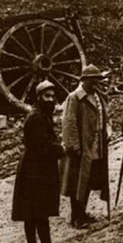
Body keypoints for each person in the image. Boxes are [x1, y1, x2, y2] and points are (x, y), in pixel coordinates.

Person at [12, 81, 64, 243]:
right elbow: (43, 146)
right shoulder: (37, 118)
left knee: (34, 212)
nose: (50, 100)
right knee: (37, 213)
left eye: (53, 96)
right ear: (39, 97)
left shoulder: (42, 115)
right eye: (46, 96)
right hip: (35, 171)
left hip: (36, 167)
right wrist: (61, 149)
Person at [61, 64, 110, 229]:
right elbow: (69, 122)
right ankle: (76, 216)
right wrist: (73, 146)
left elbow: (105, 117)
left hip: (97, 145)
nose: (96, 83)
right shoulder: (74, 98)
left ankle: (82, 212)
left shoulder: (99, 96)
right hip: (81, 147)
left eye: (98, 80)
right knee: (77, 182)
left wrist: (108, 130)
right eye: (93, 80)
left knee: (88, 180)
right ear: (85, 80)